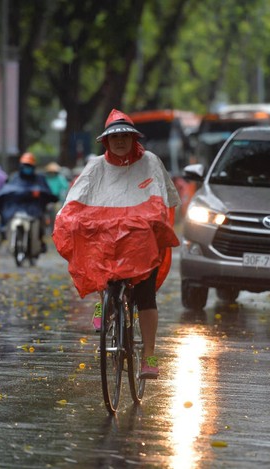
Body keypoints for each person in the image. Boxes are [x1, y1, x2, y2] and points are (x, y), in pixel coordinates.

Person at [53, 109, 181, 379]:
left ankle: (149, 356)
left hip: (143, 245)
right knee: (100, 268)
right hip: (108, 242)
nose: (120, 141)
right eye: (114, 137)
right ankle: (103, 305)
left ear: (133, 139)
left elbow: (164, 200)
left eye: (125, 136)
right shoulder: (95, 166)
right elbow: (75, 201)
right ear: (105, 142)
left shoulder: (150, 162)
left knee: (146, 296)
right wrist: (69, 221)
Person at [0, 152, 57, 251]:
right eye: (25, 166)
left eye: (29, 166)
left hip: (34, 208)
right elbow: (7, 190)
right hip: (16, 208)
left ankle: (39, 242)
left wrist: (38, 194)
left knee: (40, 220)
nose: (27, 168)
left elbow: (47, 193)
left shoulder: (39, 178)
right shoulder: (15, 177)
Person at [43, 162, 69, 232]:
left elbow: (65, 188)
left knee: (57, 213)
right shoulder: (45, 179)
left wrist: (61, 198)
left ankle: (56, 229)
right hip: (46, 200)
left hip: (56, 200)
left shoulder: (60, 178)